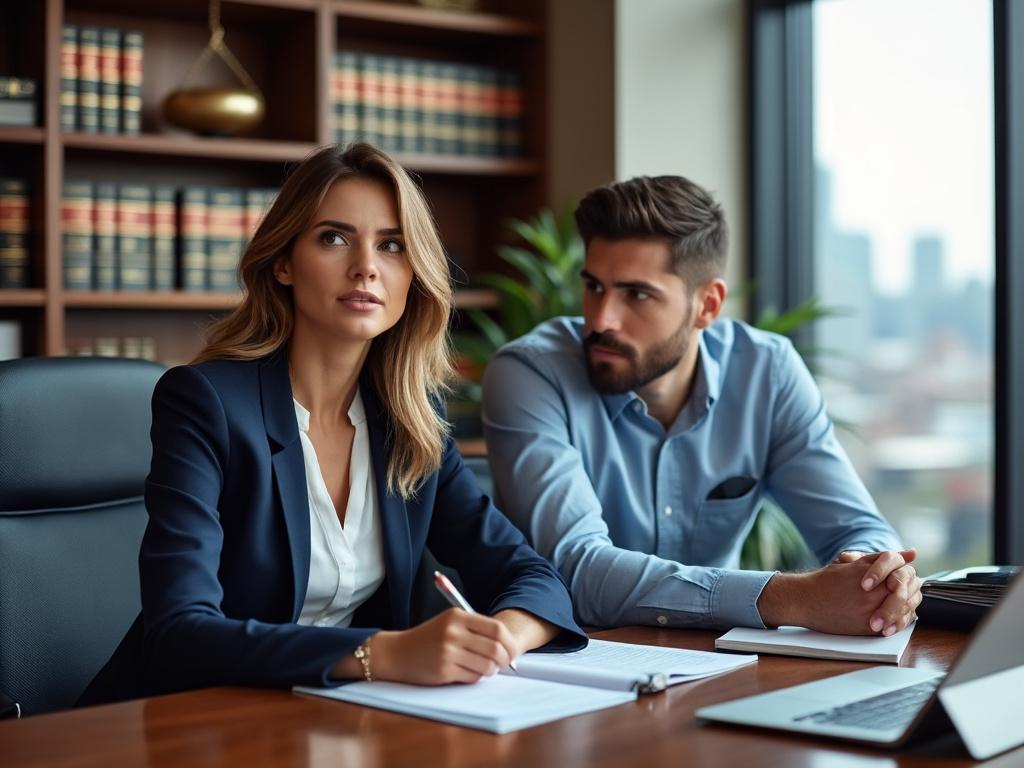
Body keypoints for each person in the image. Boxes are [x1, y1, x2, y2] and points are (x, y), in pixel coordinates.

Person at [81, 143, 584, 706]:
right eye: (334, 238)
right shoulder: (206, 404)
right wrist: (383, 654)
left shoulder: (412, 419)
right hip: (180, 724)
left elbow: (534, 578)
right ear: (283, 262)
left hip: (328, 718)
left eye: (392, 245)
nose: (366, 265)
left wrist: (499, 640)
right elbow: (179, 635)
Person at [481, 174, 922, 637]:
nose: (601, 319)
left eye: (636, 294)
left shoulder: (765, 372)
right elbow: (578, 570)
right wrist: (793, 598)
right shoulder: (530, 374)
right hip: (567, 665)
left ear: (707, 305)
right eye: (594, 287)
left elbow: (857, 527)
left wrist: (880, 576)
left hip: (718, 663)